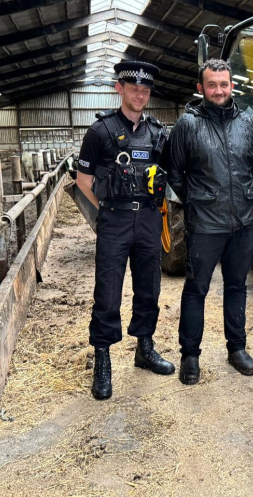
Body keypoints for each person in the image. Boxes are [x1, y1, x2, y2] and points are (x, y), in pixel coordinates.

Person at [76, 60, 175, 401]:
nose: (140, 95)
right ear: (119, 88)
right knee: (107, 292)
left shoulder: (158, 133)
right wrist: (104, 208)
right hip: (115, 221)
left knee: (149, 288)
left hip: (149, 219)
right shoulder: (100, 131)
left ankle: (144, 348)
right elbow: (83, 181)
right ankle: (102, 360)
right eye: (134, 89)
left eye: (145, 90)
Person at [166, 59, 253, 385]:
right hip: (205, 223)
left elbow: (251, 166)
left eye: (224, 84)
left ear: (231, 85)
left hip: (243, 223)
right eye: (212, 85)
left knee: (237, 287)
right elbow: (174, 173)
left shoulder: (248, 124)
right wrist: (198, 199)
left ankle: (236, 348)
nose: (218, 90)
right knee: (196, 289)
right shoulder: (187, 125)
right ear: (201, 88)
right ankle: (190, 355)